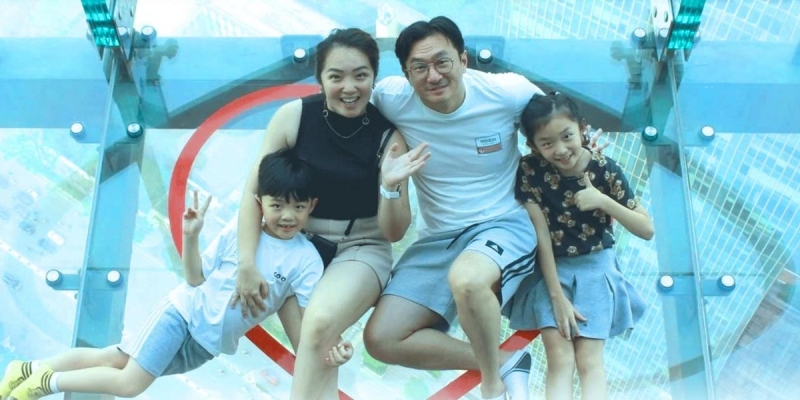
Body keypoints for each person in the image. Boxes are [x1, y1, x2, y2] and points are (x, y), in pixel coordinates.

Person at [0, 149, 352, 400]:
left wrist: (333, 347)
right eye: (277, 205)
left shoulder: (307, 261)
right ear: (260, 202)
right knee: (130, 384)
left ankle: (26, 370)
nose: (287, 216)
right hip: (182, 316)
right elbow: (195, 279)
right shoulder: (240, 231)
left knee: (114, 359)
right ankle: (46, 383)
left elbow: (311, 319)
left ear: (312, 206)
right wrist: (191, 235)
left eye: (298, 207)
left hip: (206, 346)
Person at [229, 28, 429, 400]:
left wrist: (389, 185)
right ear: (320, 78)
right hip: (296, 242)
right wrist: (246, 263)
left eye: (360, 75)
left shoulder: (389, 138)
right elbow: (254, 194)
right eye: (336, 76)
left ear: (374, 76)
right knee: (319, 353)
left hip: (361, 247)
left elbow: (394, 232)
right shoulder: (293, 117)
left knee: (319, 324)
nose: (349, 87)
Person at [363, 16, 544, 400]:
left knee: (468, 279)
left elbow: (558, 127)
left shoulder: (507, 93)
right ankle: (505, 361)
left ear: (463, 60)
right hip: (438, 237)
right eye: (419, 67)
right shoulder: (392, 98)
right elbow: (345, 106)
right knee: (381, 338)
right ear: (406, 74)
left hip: (502, 222)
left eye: (442, 62)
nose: (433, 76)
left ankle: (492, 387)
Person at [505, 92, 654, 400]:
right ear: (533, 145)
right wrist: (556, 296)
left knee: (589, 362)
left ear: (582, 128)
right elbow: (541, 235)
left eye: (567, 136)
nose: (560, 149)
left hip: (596, 270)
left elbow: (646, 229)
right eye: (547, 143)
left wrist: (603, 201)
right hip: (551, 271)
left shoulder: (606, 170)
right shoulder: (531, 170)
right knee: (560, 359)